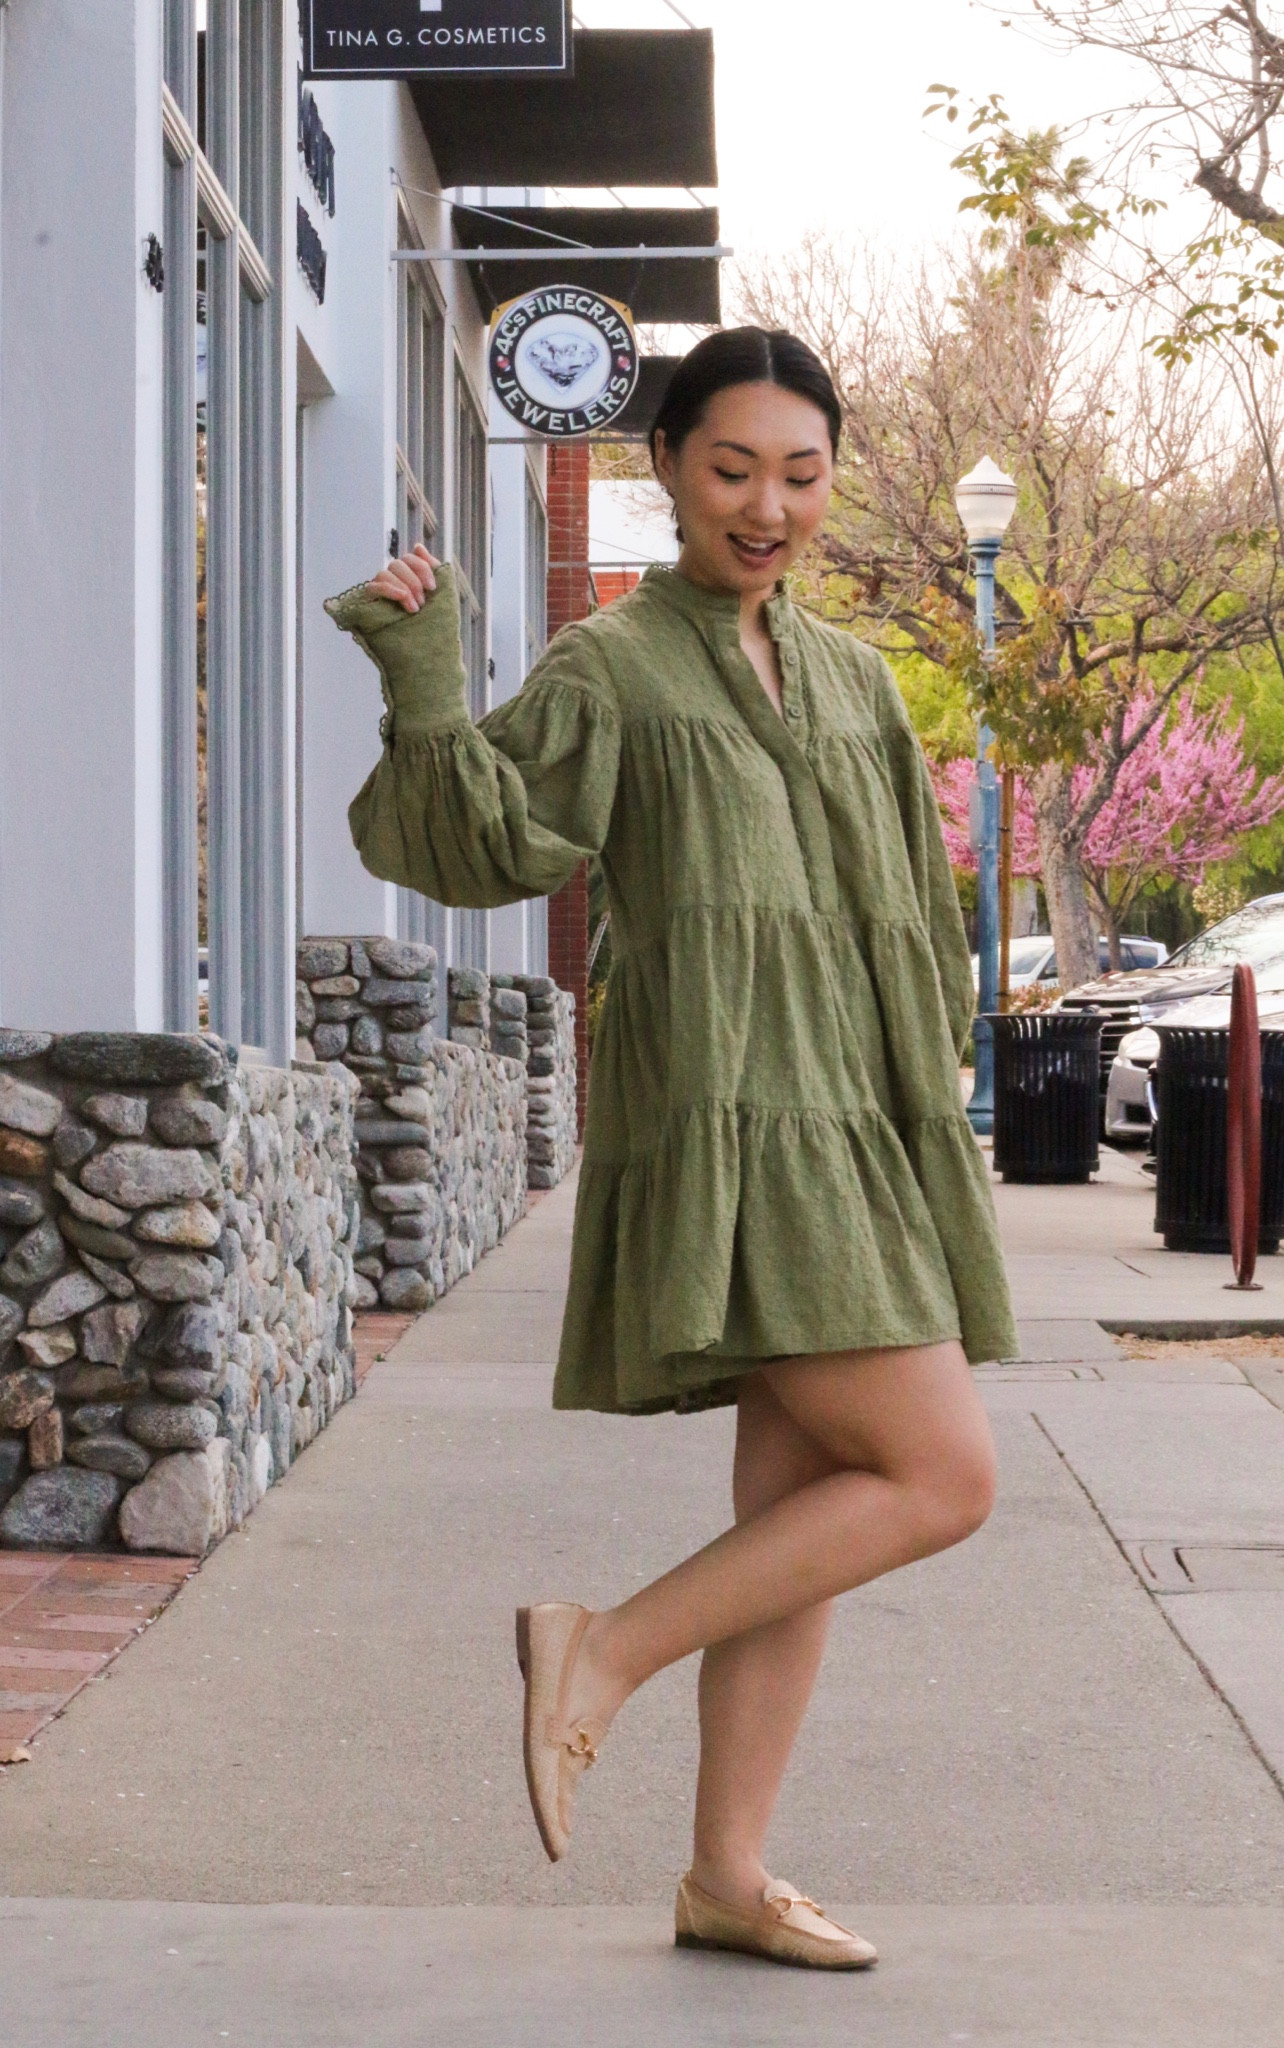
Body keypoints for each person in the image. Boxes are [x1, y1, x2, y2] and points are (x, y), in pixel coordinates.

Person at [326, 327, 1015, 1970]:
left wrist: (939, 1123)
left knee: (804, 1513)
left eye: (800, 471)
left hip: (863, 1124)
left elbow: (915, 920)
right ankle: (600, 1652)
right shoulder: (612, 661)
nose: (765, 504)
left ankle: (724, 1872)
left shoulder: (855, 678)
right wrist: (423, 678)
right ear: (666, 473)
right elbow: (486, 842)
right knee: (939, 1475)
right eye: (730, 469)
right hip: (731, 1115)